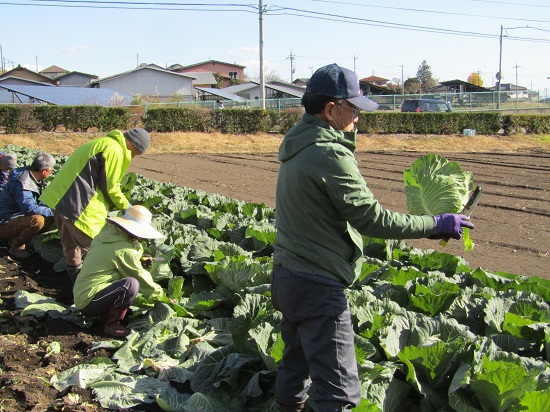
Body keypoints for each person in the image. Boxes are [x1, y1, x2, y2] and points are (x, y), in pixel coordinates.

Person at [270, 63, 475, 412]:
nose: (358, 118)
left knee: (296, 367)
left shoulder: (297, 144)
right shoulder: (329, 153)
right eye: (353, 109)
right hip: (318, 285)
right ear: (331, 110)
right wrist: (434, 224)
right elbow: (371, 218)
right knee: (340, 394)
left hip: (288, 275)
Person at [40, 128, 151, 283]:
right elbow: (110, 186)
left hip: (58, 198)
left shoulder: (102, 142)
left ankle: (76, 284)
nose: (133, 157)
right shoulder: (115, 149)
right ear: (133, 145)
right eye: (135, 153)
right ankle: (94, 289)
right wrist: (128, 208)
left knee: (70, 245)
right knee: (97, 247)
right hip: (76, 202)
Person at [73, 205, 165, 338]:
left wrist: (138, 258)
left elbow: (117, 257)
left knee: (126, 283)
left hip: (83, 292)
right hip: (89, 302)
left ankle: (107, 313)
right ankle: (112, 324)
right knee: (131, 284)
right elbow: (140, 276)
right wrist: (162, 297)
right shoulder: (124, 250)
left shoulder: (106, 236)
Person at [0, 152, 56, 259]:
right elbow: (29, 208)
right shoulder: (22, 183)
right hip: (5, 222)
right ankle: (16, 246)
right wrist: (54, 211)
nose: (51, 172)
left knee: (49, 217)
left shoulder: (32, 177)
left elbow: (37, 203)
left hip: (16, 218)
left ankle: (20, 238)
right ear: (44, 171)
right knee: (38, 221)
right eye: (51, 170)